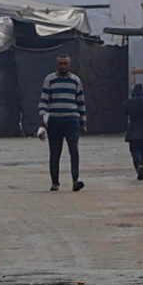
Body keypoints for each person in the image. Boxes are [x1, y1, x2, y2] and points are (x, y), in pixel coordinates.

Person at [39, 53, 88, 193]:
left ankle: (75, 181)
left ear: (69, 65)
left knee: (74, 151)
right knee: (55, 153)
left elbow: (81, 102)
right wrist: (44, 119)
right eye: (61, 64)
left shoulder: (75, 81)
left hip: (72, 121)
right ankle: (55, 183)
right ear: (57, 65)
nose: (63, 66)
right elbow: (44, 101)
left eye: (65, 64)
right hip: (55, 121)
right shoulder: (50, 79)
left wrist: (83, 122)